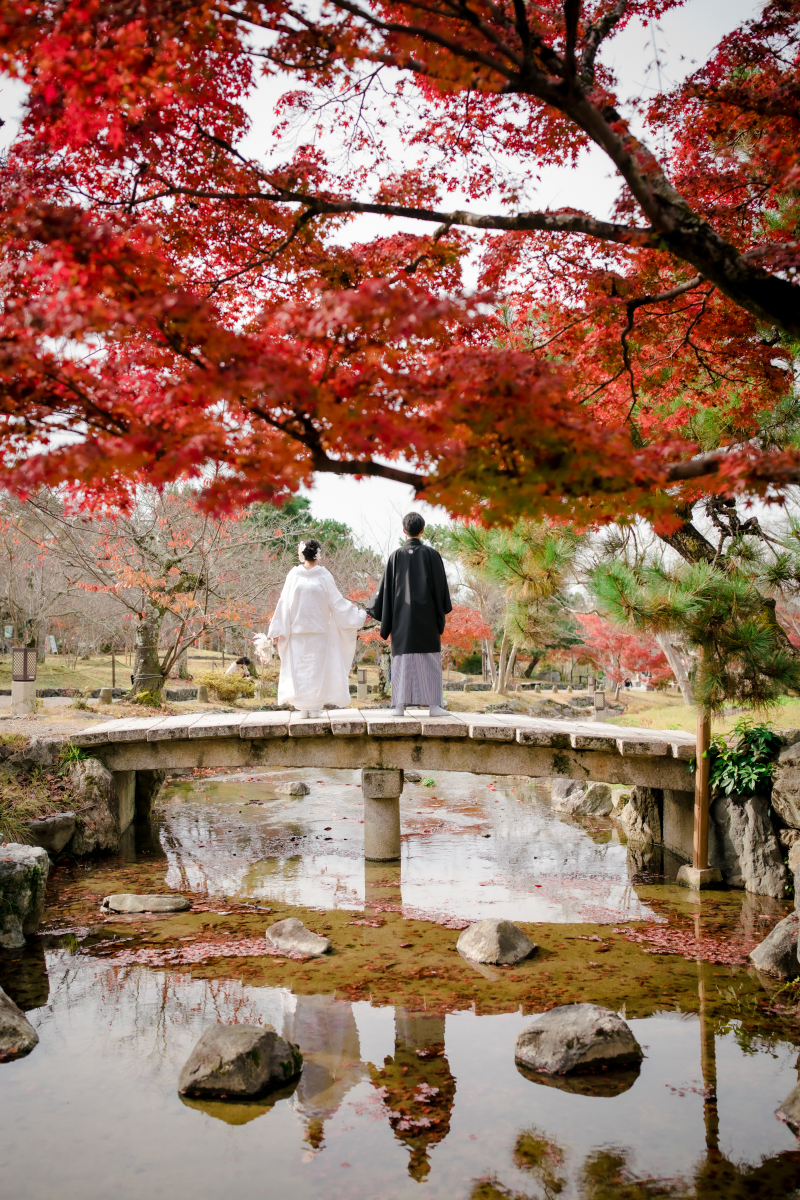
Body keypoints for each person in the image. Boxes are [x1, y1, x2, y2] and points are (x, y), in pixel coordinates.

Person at [268, 538, 367, 717]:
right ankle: (303, 706)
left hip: (319, 633)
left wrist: (357, 615)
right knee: (300, 670)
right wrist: (278, 629)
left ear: (301, 554)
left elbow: (335, 601)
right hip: (298, 633)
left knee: (316, 670)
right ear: (318, 554)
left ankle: (314, 707)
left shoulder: (323, 575)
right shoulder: (294, 575)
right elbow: (284, 603)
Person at [366, 512, 452, 716]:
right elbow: (441, 588)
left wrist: (371, 609)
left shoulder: (395, 556)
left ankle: (398, 706)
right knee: (429, 658)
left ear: (404, 531)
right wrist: (441, 609)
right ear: (422, 530)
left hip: (401, 617)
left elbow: (385, 590)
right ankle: (434, 706)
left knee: (402, 660)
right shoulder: (432, 555)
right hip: (428, 617)